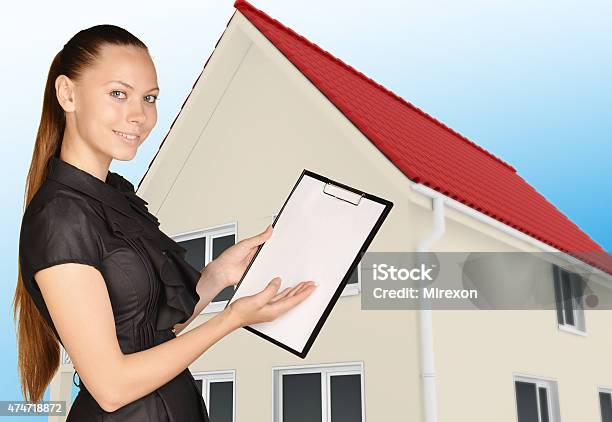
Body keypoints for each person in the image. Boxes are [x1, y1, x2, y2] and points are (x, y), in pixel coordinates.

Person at [13, 24, 317, 421]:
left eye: (149, 98)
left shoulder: (115, 196)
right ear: (67, 94)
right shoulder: (61, 219)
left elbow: (151, 330)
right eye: (118, 94)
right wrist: (232, 319)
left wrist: (218, 274)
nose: (138, 115)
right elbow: (111, 387)